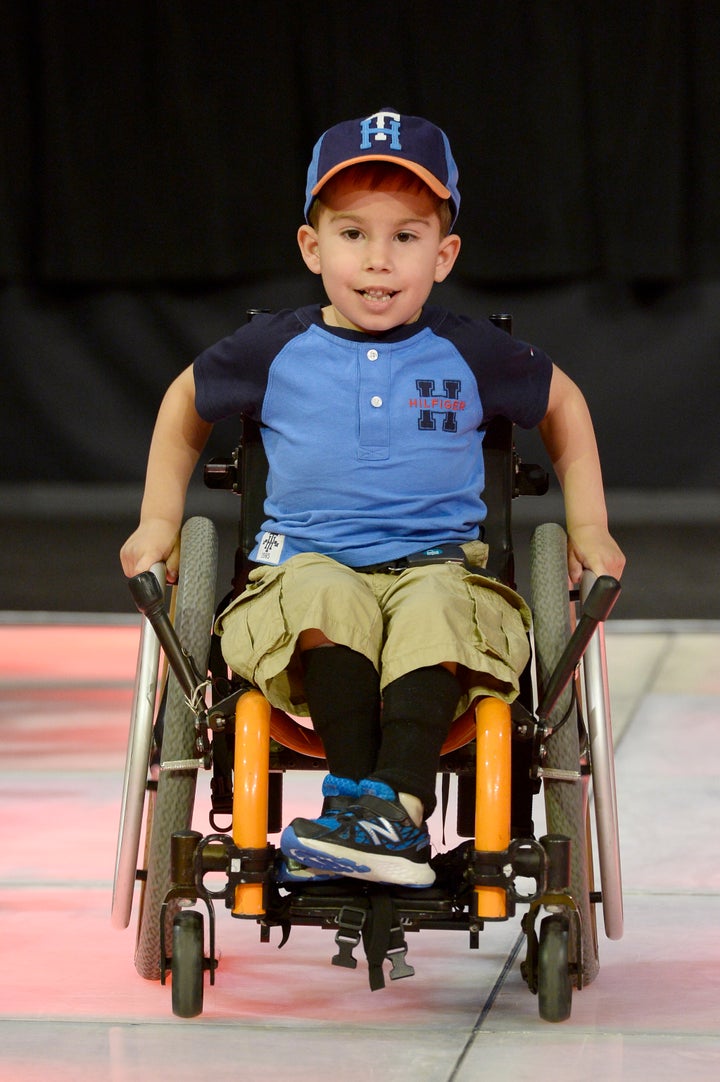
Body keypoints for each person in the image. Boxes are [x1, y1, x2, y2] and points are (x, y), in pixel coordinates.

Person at [121, 108, 625, 889]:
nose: (378, 261)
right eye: (353, 235)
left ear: (444, 253)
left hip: (440, 571)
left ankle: (392, 812)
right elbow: (184, 406)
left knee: (436, 610)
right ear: (312, 247)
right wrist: (159, 518)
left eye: (406, 237)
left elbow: (565, 406)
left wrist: (588, 524)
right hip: (306, 572)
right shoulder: (274, 348)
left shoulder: (468, 351)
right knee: (326, 594)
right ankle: (355, 805)